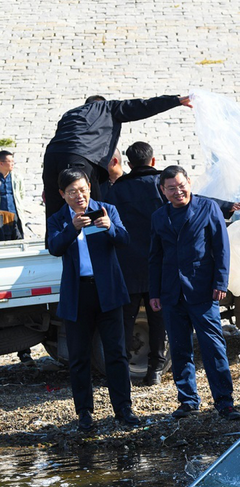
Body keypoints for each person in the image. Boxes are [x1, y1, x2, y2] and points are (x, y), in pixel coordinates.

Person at [47, 168, 140, 431]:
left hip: (108, 291)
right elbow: (54, 247)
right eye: (72, 192)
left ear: (89, 186)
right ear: (62, 195)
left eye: (82, 189)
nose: (79, 196)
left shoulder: (106, 209)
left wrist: (110, 227)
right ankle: (85, 413)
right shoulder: (58, 219)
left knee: (116, 354)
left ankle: (123, 408)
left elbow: (125, 239)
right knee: (79, 357)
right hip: (78, 294)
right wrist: (71, 229)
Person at [148, 165, 240, 420]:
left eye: (181, 185)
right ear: (163, 191)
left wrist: (220, 283)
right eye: (171, 188)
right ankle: (188, 400)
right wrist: (154, 292)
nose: (178, 191)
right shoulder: (158, 217)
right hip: (171, 292)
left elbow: (221, 247)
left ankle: (225, 402)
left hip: (202, 290)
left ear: (189, 182)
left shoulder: (208, 208)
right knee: (179, 348)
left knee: (213, 346)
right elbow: (155, 257)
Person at [41, 94, 192, 226]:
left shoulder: (70, 114)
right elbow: (142, 106)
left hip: (50, 158)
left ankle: (54, 248)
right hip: (80, 157)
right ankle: (97, 247)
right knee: (92, 208)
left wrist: (48, 185)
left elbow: (61, 147)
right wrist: (175, 101)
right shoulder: (107, 108)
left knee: (54, 208)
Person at [103, 142, 167, 385]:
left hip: (127, 266)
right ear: (153, 160)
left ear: (129, 164)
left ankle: (122, 372)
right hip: (156, 264)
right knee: (158, 319)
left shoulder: (117, 190)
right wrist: (225, 207)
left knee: (125, 322)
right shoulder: (162, 183)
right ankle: (155, 370)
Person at [0, 151, 34, 365]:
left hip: (14, 219)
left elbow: (19, 197)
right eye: (8, 161)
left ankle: (25, 352)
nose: (12, 164)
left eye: (13, 161)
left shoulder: (17, 178)